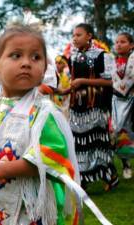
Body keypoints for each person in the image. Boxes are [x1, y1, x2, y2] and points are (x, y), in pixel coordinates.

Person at [0, 24, 84, 225]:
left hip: (28, 210)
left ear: (44, 69)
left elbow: (50, 154)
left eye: (36, 57)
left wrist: (2, 170)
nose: (26, 63)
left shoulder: (44, 113)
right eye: (16, 55)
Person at [68, 23, 118, 190]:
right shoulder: (73, 56)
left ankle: (110, 175)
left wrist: (83, 81)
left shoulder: (102, 55)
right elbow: (73, 81)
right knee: (80, 143)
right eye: (73, 35)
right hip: (77, 106)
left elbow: (110, 81)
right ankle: (85, 177)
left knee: (97, 141)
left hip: (96, 105)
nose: (75, 38)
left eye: (78, 35)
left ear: (89, 36)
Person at [111, 32, 134, 179]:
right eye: (117, 42)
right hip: (116, 101)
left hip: (132, 100)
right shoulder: (112, 62)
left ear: (131, 45)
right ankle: (126, 164)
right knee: (119, 132)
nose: (118, 44)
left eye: (123, 42)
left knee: (131, 132)